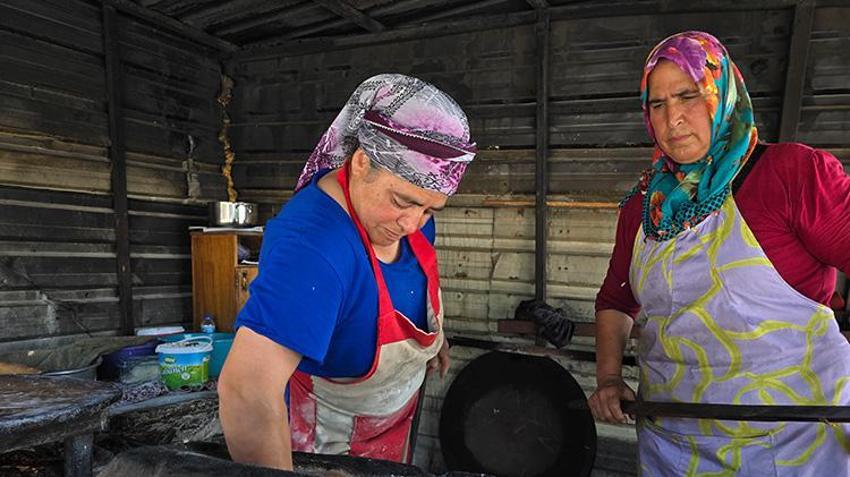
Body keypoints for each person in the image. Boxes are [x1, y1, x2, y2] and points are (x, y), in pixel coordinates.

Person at [588, 31, 850, 475]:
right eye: (657, 103)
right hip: (674, 445)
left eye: (688, 96)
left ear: (722, 93)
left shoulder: (792, 175)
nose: (673, 119)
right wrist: (610, 379)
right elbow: (616, 301)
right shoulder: (644, 206)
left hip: (792, 442)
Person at [218, 74, 477, 470]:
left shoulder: (410, 219)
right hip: (327, 446)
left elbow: (408, 280)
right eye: (402, 202)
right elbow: (246, 391)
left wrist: (432, 338)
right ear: (361, 162)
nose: (413, 224)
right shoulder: (314, 245)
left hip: (393, 428)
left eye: (429, 209)